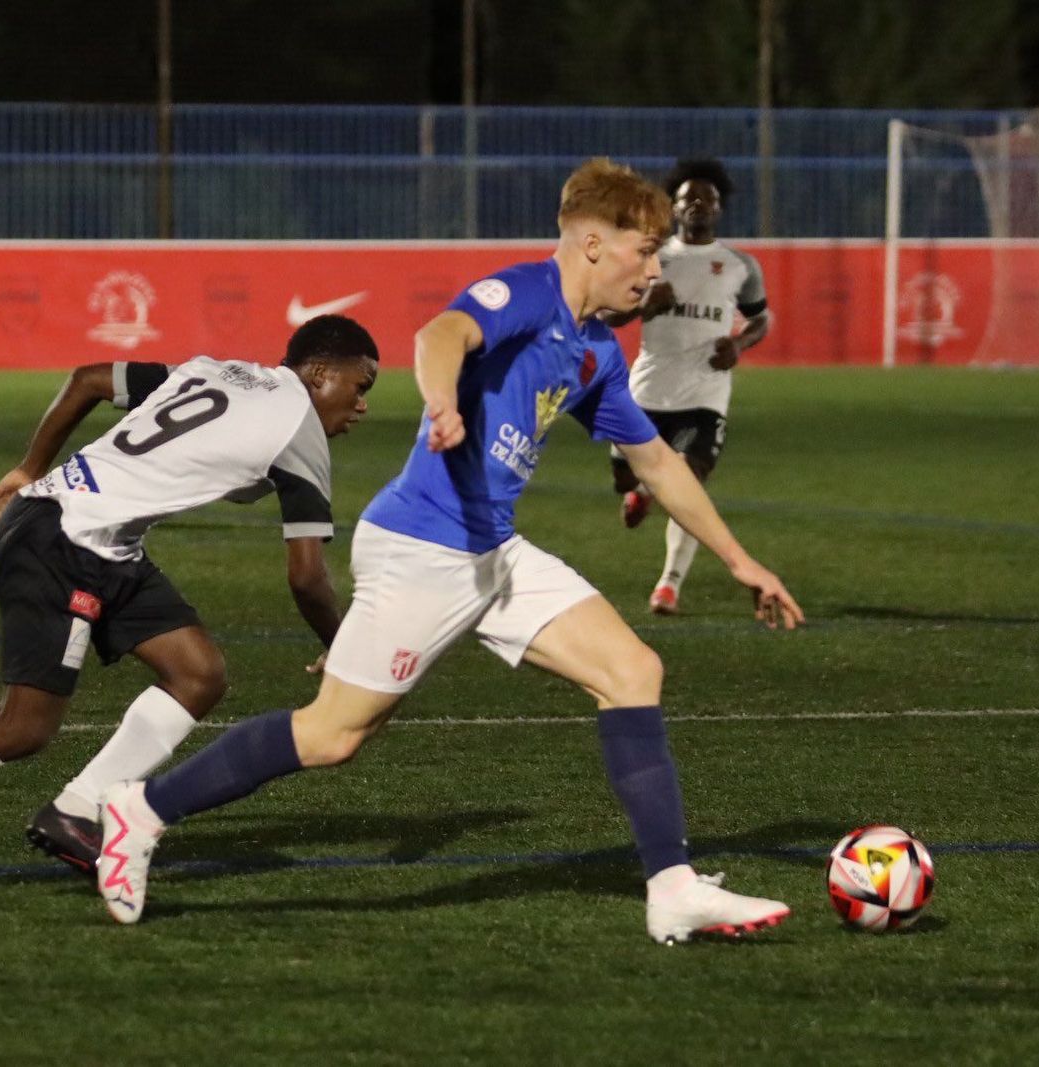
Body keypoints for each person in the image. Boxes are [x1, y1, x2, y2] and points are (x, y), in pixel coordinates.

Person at [95, 159, 804, 944]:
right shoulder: (528, 293)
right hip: (423, 549)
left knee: (633, 670)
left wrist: (741, 561)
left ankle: (670, 887)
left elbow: (659, 463)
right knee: (333, 735)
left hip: (494, 551)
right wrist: (441, 401)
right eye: (645, 251)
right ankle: (141, 809)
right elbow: (443, 333)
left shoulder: (596, 351)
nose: (653, 269)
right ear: (595, 246)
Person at [0, 315, 379, 893]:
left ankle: (78, 809)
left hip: (96, 538)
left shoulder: (220, 371)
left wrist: (29, 470)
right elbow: (307, 577)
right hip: (63, 543)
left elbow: (89, 378)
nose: (361, 405)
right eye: (360, 386)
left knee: (198, 672)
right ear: (318, 372)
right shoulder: (301, 430)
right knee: (21, 730)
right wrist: (343, 650)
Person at [603, 158, 771, 614]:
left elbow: (760, 318)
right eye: (688, 198)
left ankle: (668, 585)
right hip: (647, 391)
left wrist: (738, 345)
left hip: (705, 394)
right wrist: (643, 308)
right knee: (624, 478)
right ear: (674, 207)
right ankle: (641, 490)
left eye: (707, 199)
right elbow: (606, 315)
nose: (698, 204)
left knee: (689, 484)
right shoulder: (650, 259)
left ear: (719, 208)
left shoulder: (739, 265)